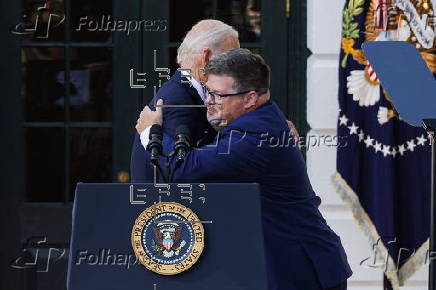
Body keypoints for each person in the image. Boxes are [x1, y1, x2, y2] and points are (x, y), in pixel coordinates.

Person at [137, 49, 352, 290]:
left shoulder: (253, 138)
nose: (209, 101)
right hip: (297, 264)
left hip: (303, 271)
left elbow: (183, 171)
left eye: (219, 95)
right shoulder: (261, 120)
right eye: (208, 91)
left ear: (250, 99)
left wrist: (150, 131)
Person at [131, 19, 299, 182]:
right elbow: (178, 169)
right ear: (206, 58)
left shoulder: (198, 95)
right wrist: (149, 131)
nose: (237, 64)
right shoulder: (176, 101)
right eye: (230, 58)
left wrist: (272, 128)